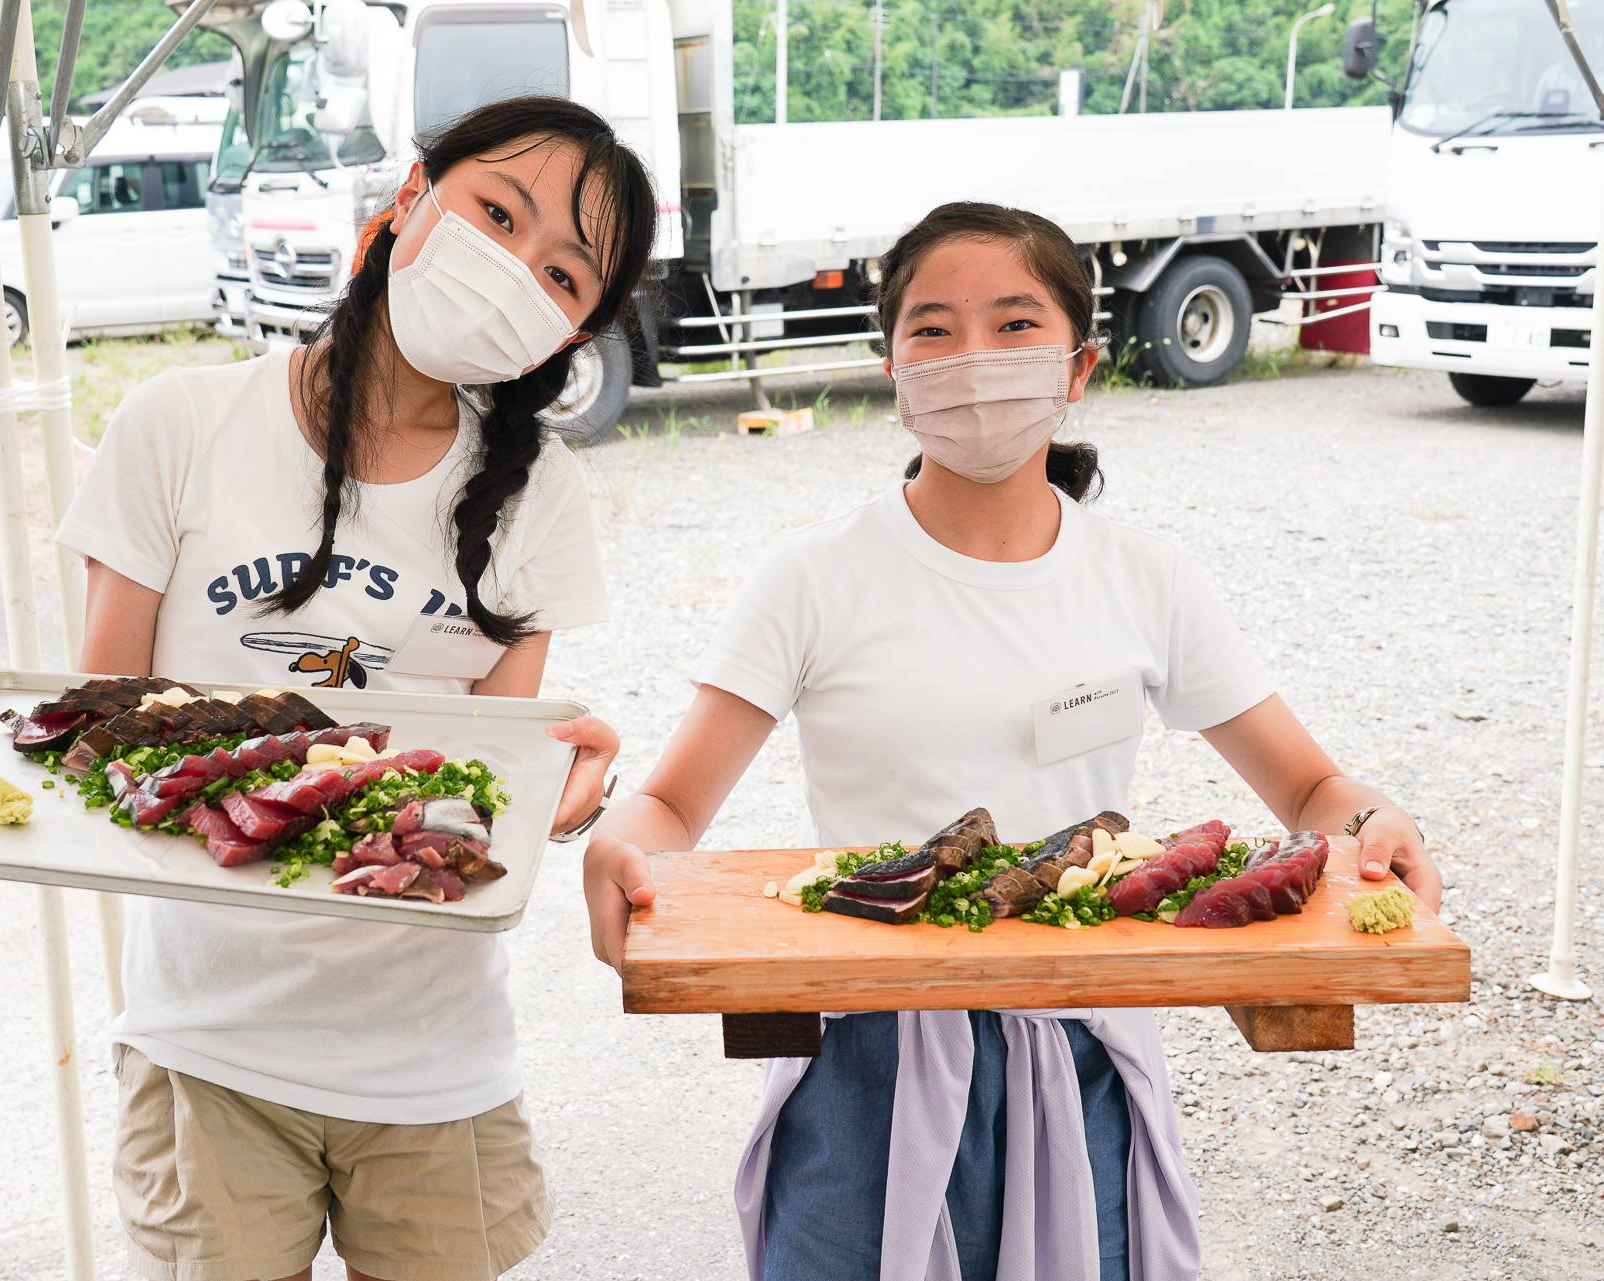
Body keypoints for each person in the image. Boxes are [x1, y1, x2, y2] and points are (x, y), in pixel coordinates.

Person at [0, 96, 655, 1281]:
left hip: (434, 1058)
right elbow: (99, 730)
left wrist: (570, 786)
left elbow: (478, 798)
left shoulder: (542, 499)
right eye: (496, 213)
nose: (513, 271)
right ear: (408, 200)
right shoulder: (181, 421)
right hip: (207, 1045)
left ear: (566, 338)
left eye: (563, 275)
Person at [582, 201, 1442, 1281]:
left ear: (1078, 368)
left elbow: (1311, 786)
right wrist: (624, 838)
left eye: (1017, 323)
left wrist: (1374, 821)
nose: (975, 358)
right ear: (893, 368)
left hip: (1084, 1049)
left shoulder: (1147, 576)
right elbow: (669, 809)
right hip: (867, 1059)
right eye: (934, 330)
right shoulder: (810, 577)